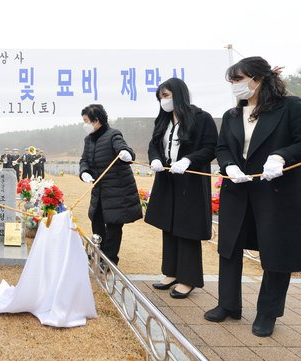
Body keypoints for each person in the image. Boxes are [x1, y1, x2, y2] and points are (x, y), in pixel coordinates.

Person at [204, 57, 301, 337]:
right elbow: (223, 147)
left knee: (275, 252)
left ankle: (267, 313)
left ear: (259, 78)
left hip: (275, 192)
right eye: (232, 81)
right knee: (229, 247)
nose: (235, 86)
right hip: (238, 189)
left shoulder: (290, 107)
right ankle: (228, 304)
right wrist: (229, 165)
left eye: (239, 79)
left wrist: (281, 156)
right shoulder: (233, 115)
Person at [144, 78, 217, 299]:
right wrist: (156, 159)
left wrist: (189, 160)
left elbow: (211, 147)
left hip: (190, 180)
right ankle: (171, 272)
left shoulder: (201, 118)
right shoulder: (163, 120)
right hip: (168, 179)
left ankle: (188, 278)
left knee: (187, 228)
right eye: (160, 97)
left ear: (179, 94)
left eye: (166, 96)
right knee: (169, 225)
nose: (163, 101)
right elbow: (154, 144)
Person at [79, 104, 142, 265]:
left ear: (96, 120)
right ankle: (99, 251)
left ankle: (109, 261)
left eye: (86, 121)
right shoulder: (89, 139)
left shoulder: (113, 134)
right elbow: (84, 160)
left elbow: (124, 148)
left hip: (118, 190)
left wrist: (126, 154)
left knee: (114, 224)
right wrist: (84, 172)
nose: (84, 124)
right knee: (97, 219)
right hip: (99, 189)